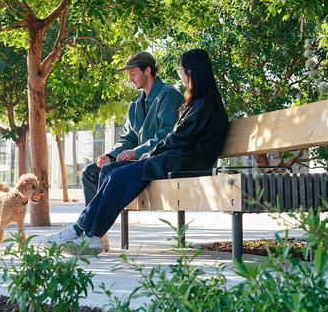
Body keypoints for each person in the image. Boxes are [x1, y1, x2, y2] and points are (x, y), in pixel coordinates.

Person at [44, 49, 230, 255]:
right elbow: (145, 137)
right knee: (102, 172)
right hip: (172, 160)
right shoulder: (199, 102)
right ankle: (90, 234)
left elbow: (177, 137)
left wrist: (148, 153)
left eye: (181, 70)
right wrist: (113, 155)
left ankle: (83, 230)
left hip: (180, 164)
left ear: (191, 71)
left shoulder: (200, 102)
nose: (180, 76)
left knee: (114, 174)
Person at [81, 50, 183, 206]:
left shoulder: (169, 95)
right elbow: (129, 137)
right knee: (89, 172)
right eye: (128, 75)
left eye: (133, 74)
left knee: (109, 170)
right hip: (141, 163)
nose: (129, 80)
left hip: (160, 163)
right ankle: (92, 227)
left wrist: (136, 151)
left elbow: (167, 135)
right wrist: (111, 155)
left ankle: (92, 225)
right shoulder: (135, 104)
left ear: (147, 70)